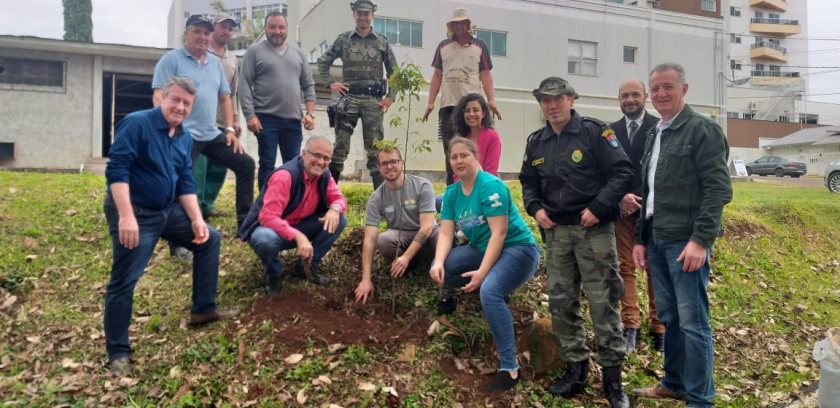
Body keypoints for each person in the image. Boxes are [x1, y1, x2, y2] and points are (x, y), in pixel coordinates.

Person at [103, 77, 239, 378]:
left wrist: (195, 218)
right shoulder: (136, 124)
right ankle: (118, 351)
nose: (180, 107)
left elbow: (185, 181)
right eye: (175, 100)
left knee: (210, 239)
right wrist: (126, 216)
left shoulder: (183, 137)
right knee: (124, 279)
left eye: (186, 103)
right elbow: (117, 169)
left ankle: (203, 308)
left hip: (167, 211)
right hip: (135, 212)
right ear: (162, 98)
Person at [519, 77, 633, 407]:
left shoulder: (595, 132)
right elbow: (528, 182)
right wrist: (535, 209)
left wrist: (598, 207)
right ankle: (576, 371)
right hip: (556, 234)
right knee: (561, 302)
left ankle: (613, 380)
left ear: (571, 99)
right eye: (545, 100)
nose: (551, 105)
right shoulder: (536, 141)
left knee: (603, 303)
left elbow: (622, 172)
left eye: (558, 98)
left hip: (593, 231)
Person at [632, 63, 732, 408]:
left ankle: (701, 399)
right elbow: (648, 193)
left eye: (668, 87)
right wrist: (639, 240)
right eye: (655, 88)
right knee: (670, 318)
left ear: (684, 90)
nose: (660, 93)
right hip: (657, 240)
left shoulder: (703, 130)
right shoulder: (654, 133)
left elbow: (718, 190)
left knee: (693, 323)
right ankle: (673, 383)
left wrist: (701, 240)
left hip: (685, 242)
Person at [430, 137, 540, 393]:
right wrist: (436, 261)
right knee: (446, 266)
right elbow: (446, 234)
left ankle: (510, 368)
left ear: (475, 157)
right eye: (454, 157)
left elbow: (499, 234)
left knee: (489, 290)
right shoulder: (452, 194)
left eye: (463, 155)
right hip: (482, 250)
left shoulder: (491, 186)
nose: (458, 161)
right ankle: (498, 280)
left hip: (518, 249)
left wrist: (482, 274)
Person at [152, 14, 255, 234]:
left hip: (211, 134)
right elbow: (159, 95)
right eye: (197, 31)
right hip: (183, 134)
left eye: (206, 32)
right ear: (186, 34)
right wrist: (167, 127)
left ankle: (245, 227)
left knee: (245, 164)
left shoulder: (215, 65)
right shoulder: (171, 60)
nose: (202, 36)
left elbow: (225, 98)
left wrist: (229, 129)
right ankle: (177, 236)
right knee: (182, 180)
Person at [239, 136, 348, 295]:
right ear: (304, 154)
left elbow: (338, 198)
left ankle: (305, 267)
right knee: (265, 239)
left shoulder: (324, 175)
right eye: (316, 155)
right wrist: (299, 236)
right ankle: (273, 273)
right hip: (269, 229)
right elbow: (267, 217)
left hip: (299, 225)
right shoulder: (285, 176)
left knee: (339, 220)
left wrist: (335, 209)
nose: (321, 162)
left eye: (326, 158)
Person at [316, 0, 397, 189]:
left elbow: (395, 72)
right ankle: (329, 195)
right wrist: (332, 83)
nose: (363, 17)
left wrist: (390, 97)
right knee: (340, 147)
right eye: (359, 13)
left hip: (373, 102)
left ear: (372, 16)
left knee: (375, 150)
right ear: (354, 15)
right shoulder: (344, 39)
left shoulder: (381, 41)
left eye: (366, 14)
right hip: (349, 99)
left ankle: (380, 199)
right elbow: (322, 62)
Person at [610, 79, 664, 354]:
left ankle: (659, 326)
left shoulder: (659, 127)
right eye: (624, 96)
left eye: (634, 95)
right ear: (618, 99)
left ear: (644, 96)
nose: (629, 100)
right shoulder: (610, 131)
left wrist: (642, 199)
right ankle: (630, 325)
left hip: (654, 210)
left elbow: (663, 168)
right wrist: (621, 198)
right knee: (625, 267)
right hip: (623, 212)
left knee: (655, 268)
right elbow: (606, 169)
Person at [422, 8, 501, 185]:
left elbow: (486, 74)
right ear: (452, 25)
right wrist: (430, 102)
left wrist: (491, 100)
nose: (459, 26)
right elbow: (437, 75)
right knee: (451, 150)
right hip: (448, 106)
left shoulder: (479, 45)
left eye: (462, 22)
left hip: (470, 107)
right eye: (455, 23)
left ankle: (480, 185)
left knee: (473, 148)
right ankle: (452, 188)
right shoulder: (443, 46)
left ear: (468, 25)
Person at [240, 11, 316, 191]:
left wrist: (310, 113)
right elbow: (244, 85)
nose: (277, 31)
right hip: (266, 120)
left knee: (294, 164)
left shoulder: (298, 54)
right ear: (265, 29)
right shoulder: (254, 51)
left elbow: (308, 84)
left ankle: (290, 205)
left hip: (293, 121)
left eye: (281, 27)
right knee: (267, 163)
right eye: (272, 27)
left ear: (287, 29)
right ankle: (265, 206)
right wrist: (250, 115)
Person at [354, 147, 439, 304]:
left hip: (428, 235)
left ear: (402, 163)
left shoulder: (422, 186)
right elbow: (370, 239)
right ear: (379, 168)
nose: (389, 166)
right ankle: (410, 267)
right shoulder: (376, 198)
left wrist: (405, 256)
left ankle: (439, 268)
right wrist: (366, 279)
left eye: (393, 161)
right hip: (403, 237)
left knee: (443, 237)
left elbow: (427, 227)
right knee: (384, 240)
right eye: (384, 163)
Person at [192, 12, 242, 219]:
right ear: (214, 27)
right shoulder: (202, 52)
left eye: (230, 29)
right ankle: (195, 206)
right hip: (202, 122)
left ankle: (208, 204)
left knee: (218, 167)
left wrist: (236, 119)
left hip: (224, 122)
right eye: (223, 27)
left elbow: (233, 92)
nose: (227, 32)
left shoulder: (232, 60)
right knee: (199, 167)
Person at [435, 93, 501, 212]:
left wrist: (471, 192)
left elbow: (490, 171)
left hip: (486, 188)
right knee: (438, 201)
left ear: (483, 113)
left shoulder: (492, 137)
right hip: (463, 188)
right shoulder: (461, 137)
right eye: (467, 111)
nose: (471, 114)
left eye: (475, 110)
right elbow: (456, 172)